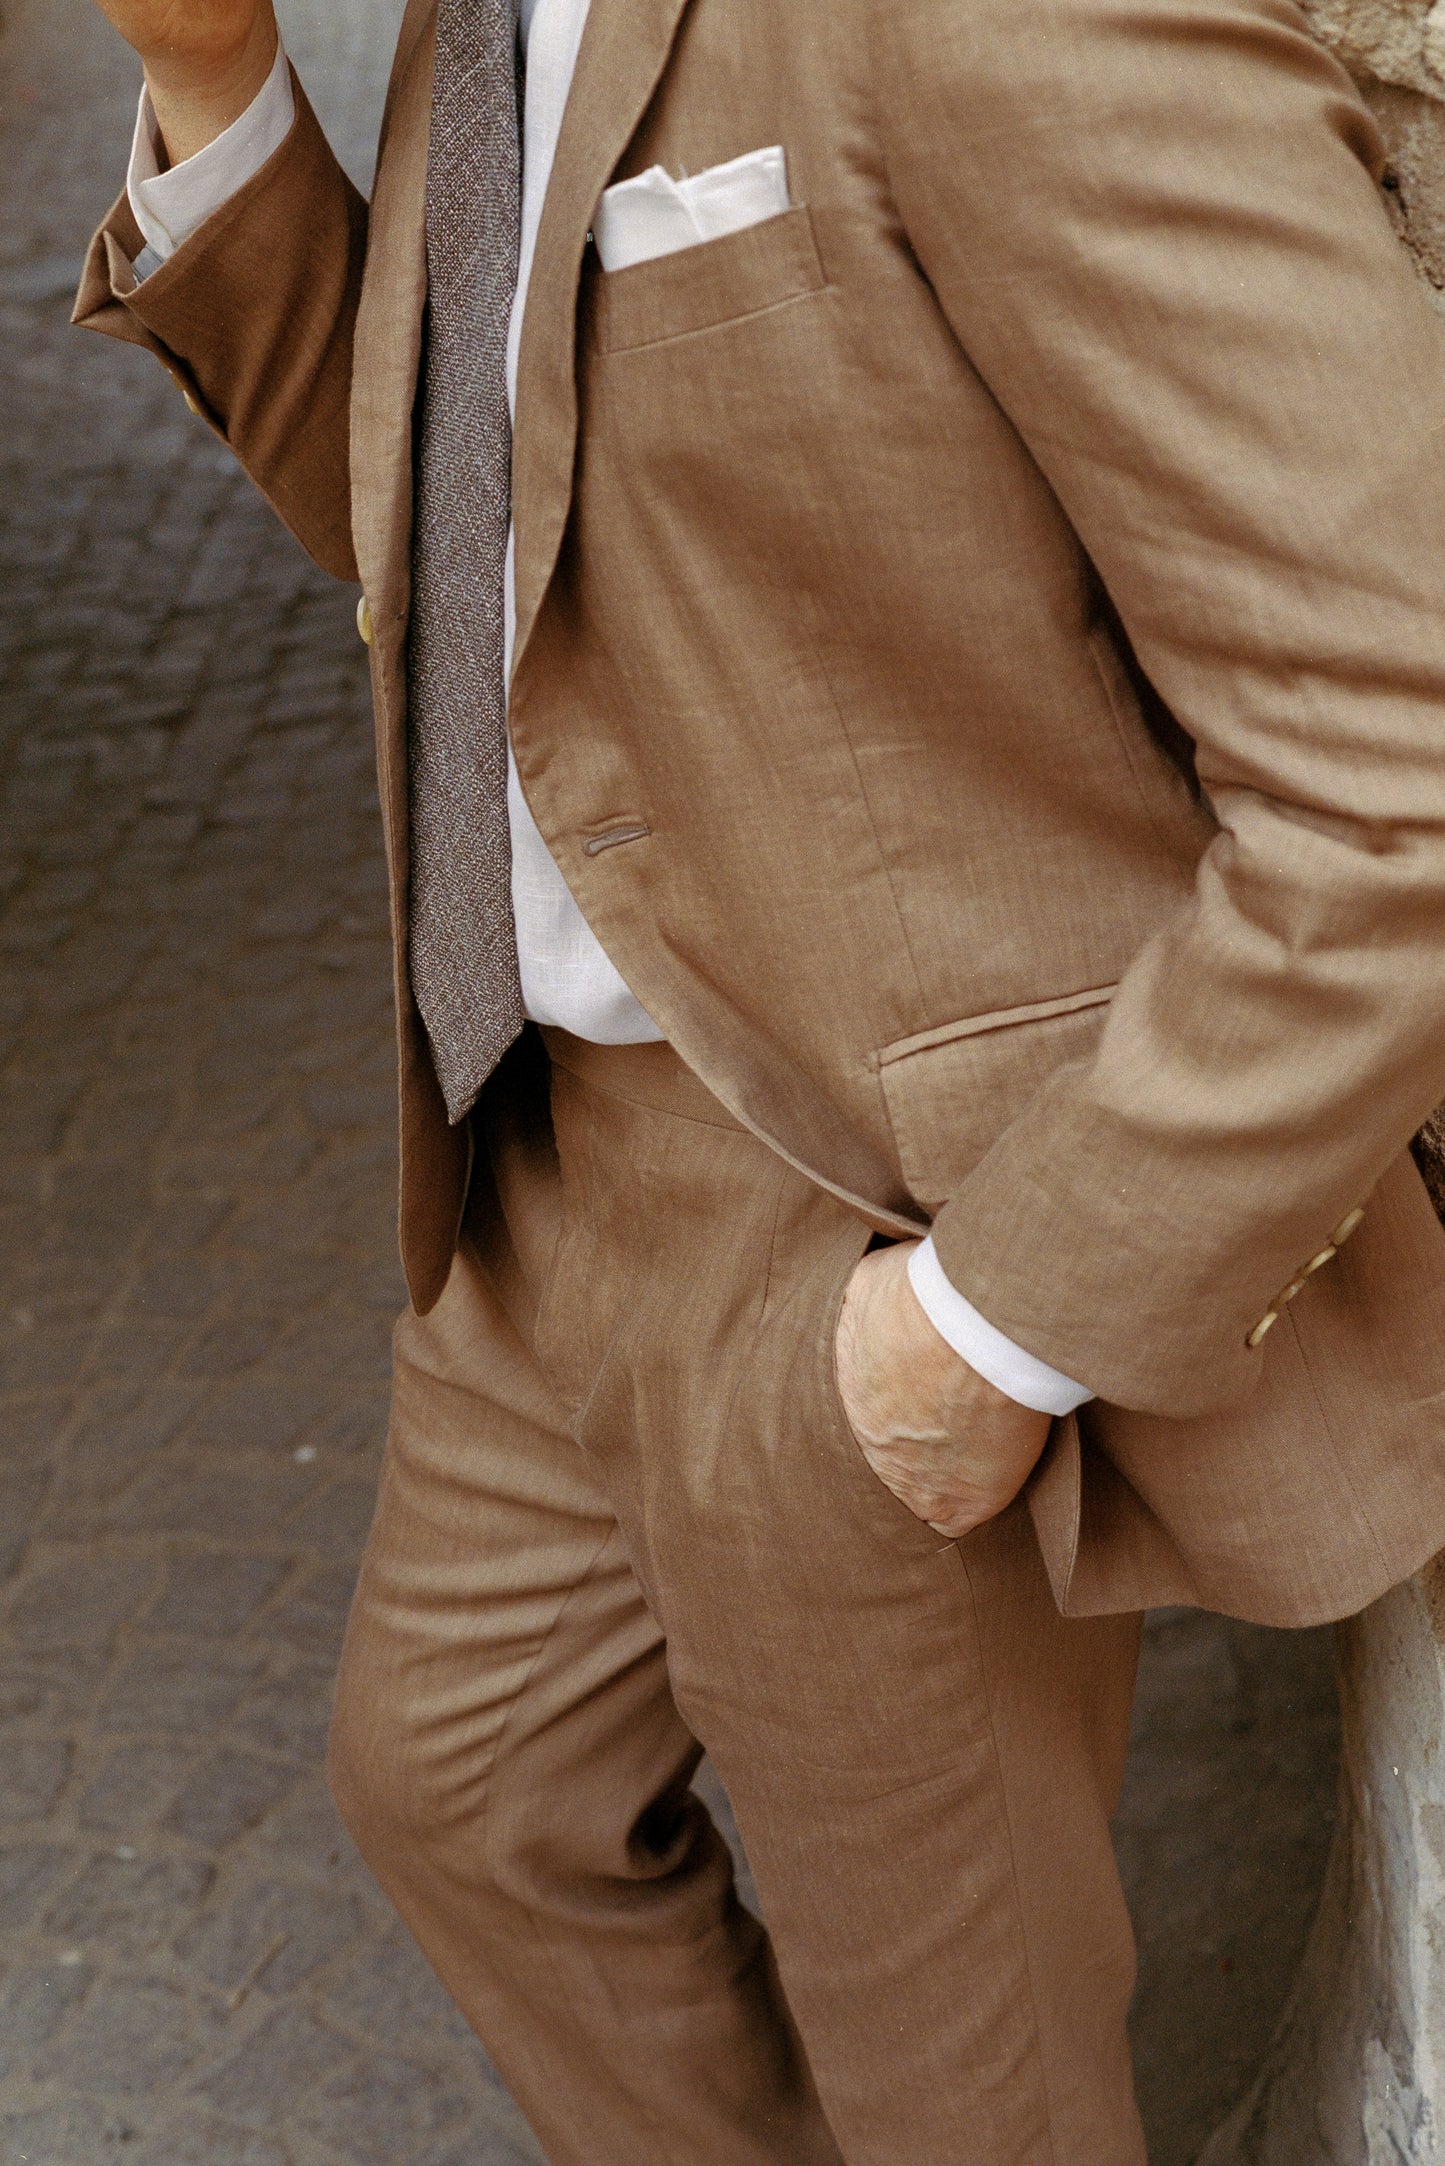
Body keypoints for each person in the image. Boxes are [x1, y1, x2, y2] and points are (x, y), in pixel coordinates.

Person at [75, 0, 1445, 2156]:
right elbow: (459, 546)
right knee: (466, 1789)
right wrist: (215, 78)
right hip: (542, 1153)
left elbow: (1410, 783)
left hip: (869, 1211)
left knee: (960, 2102)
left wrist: (987, 1329)